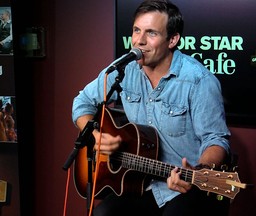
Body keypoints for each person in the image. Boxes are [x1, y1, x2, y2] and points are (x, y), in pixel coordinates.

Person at [72, 0, 231, 215]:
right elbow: (82, 103)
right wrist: (95, 135)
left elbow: (216, 139)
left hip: (182, 187)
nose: (139, 41)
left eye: (151, 33)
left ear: (172, 39)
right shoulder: (124, 69)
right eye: (136, 31)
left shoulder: (198, 80)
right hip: (137, 181)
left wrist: (199, 171)